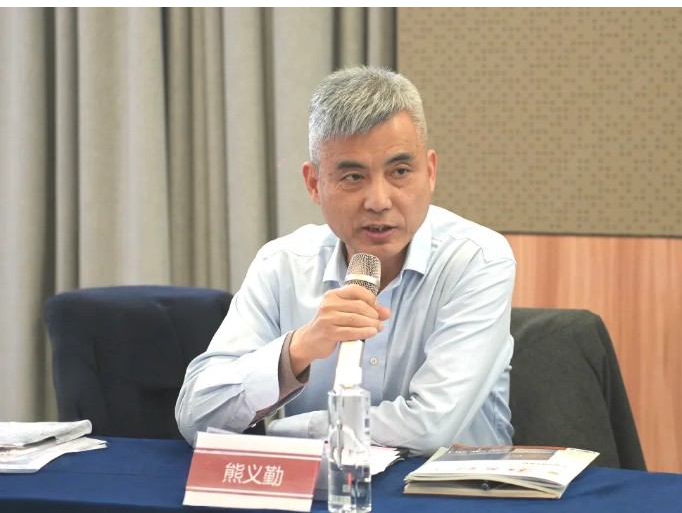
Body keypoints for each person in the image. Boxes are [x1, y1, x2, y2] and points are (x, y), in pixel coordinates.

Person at [175, 65, 516, 457]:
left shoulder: (478, 260)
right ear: (314, 184)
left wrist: (286, 431)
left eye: (400, 171)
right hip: (326, 486)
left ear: (430, 172)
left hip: (452, 486)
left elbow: (430, 429)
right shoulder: (282, 264)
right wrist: (299, 348)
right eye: (353, 177)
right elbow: (196, 417)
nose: (379, 201)